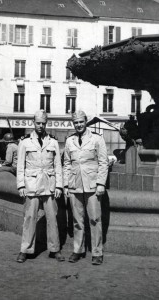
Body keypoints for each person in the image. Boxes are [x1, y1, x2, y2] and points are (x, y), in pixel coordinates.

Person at [16, 110, 64, 263]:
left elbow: (58, 166)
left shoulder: (53, 142)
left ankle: (54, 249)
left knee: (52, 218)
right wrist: (21, 185)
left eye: (43, 123)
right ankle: (25, 249)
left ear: (46, 124)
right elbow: (20, 167)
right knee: (29, 217)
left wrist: (59, 186)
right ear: (33, 123)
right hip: (31, 184)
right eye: (38, 123)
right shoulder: (25, 142)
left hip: (49, 185)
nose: (40, 126)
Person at [63, 110, 109, 265]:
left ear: (86, 121)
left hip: (92, 185)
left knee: (95, 219)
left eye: (81, 122)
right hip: (75, 185)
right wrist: (65, 185)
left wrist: (101, 183)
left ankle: (97, 252)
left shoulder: (97, 139)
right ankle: (78, 250)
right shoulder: (70, 141)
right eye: (76, 123)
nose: (79, 125)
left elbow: (103, 162)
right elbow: (67, 164)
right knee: (77, 220)